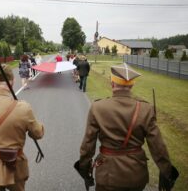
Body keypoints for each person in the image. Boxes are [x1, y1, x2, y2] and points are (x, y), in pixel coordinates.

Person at [76, 63, 179, 191]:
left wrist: (85, 169)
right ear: (132, 85)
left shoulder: (98, 108)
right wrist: (167, 173)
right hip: (136, 175)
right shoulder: (146, 109)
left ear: (112, 83)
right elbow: (158, 147)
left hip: (108, 175)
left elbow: (88, 144)